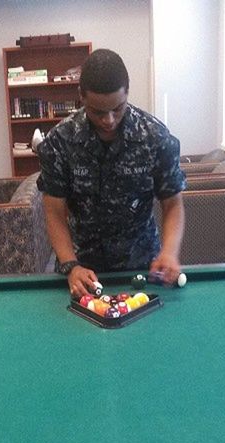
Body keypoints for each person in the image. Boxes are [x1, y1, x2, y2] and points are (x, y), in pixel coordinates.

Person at [36, 48, 186, 297]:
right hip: (82, 268)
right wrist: (71, 265)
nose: (108, 120)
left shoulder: (156, 137)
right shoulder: (59, 142)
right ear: (81, 97)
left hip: (143, 268)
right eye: (98, 111)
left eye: (118, 108)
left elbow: (173, 204)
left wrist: (169, 252)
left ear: (127, 92)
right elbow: (54, 212)